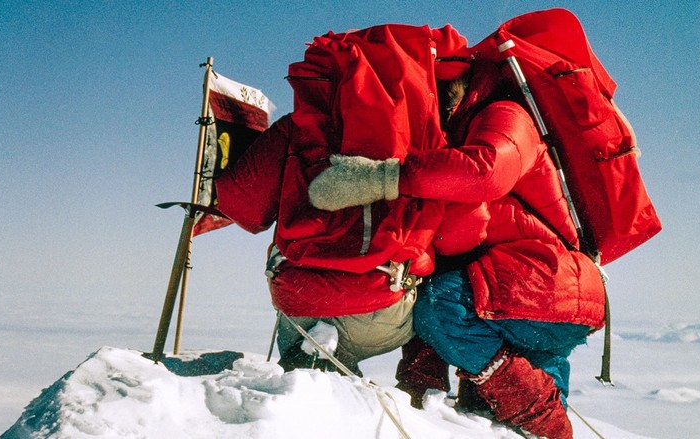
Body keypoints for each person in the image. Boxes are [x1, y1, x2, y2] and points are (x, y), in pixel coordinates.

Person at [308, 59, 607, 438]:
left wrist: (383, 178)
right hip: (552, 294)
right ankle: (535, 417)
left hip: (543, 281)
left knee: (438, 305)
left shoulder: (506, 114)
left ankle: (549, 425)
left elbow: (486, 169)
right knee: (494, 408)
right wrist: (419, 390)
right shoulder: (468, 130)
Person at [212, 24, 473, 375]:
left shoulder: (299, 126)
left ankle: (308, 366)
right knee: (439, 290)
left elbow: (241, 206)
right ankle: (419, 385)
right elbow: (461, 233)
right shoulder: (432, 143)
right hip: (382, 304)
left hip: (300, 297)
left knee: (309, 364)